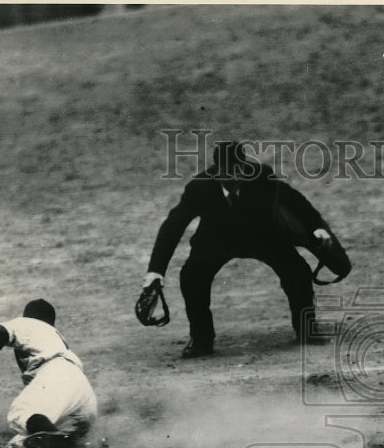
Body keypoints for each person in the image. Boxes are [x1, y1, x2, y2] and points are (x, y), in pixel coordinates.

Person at [141, 141, 351, 358]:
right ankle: (201, 338)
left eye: (239, 168)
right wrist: (155, 270)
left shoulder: (262, 176)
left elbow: (295, 201)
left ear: (244, 166)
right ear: (216, 171)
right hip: (217, 240)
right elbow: (173, 226)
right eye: (227, 170)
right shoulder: (200, 187)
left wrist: (316, 227)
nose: (234, 175)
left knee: (297, 271)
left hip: (263, 237)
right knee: (191, 277)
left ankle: (306, 329)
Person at [0, 299, 98, 448]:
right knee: (26, 440)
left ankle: (63, 442)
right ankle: (84, 447)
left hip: (57, 374)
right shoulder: (56, 338)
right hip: (84, 394)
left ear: (28, 316)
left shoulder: (28, 323)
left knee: (20, 413)